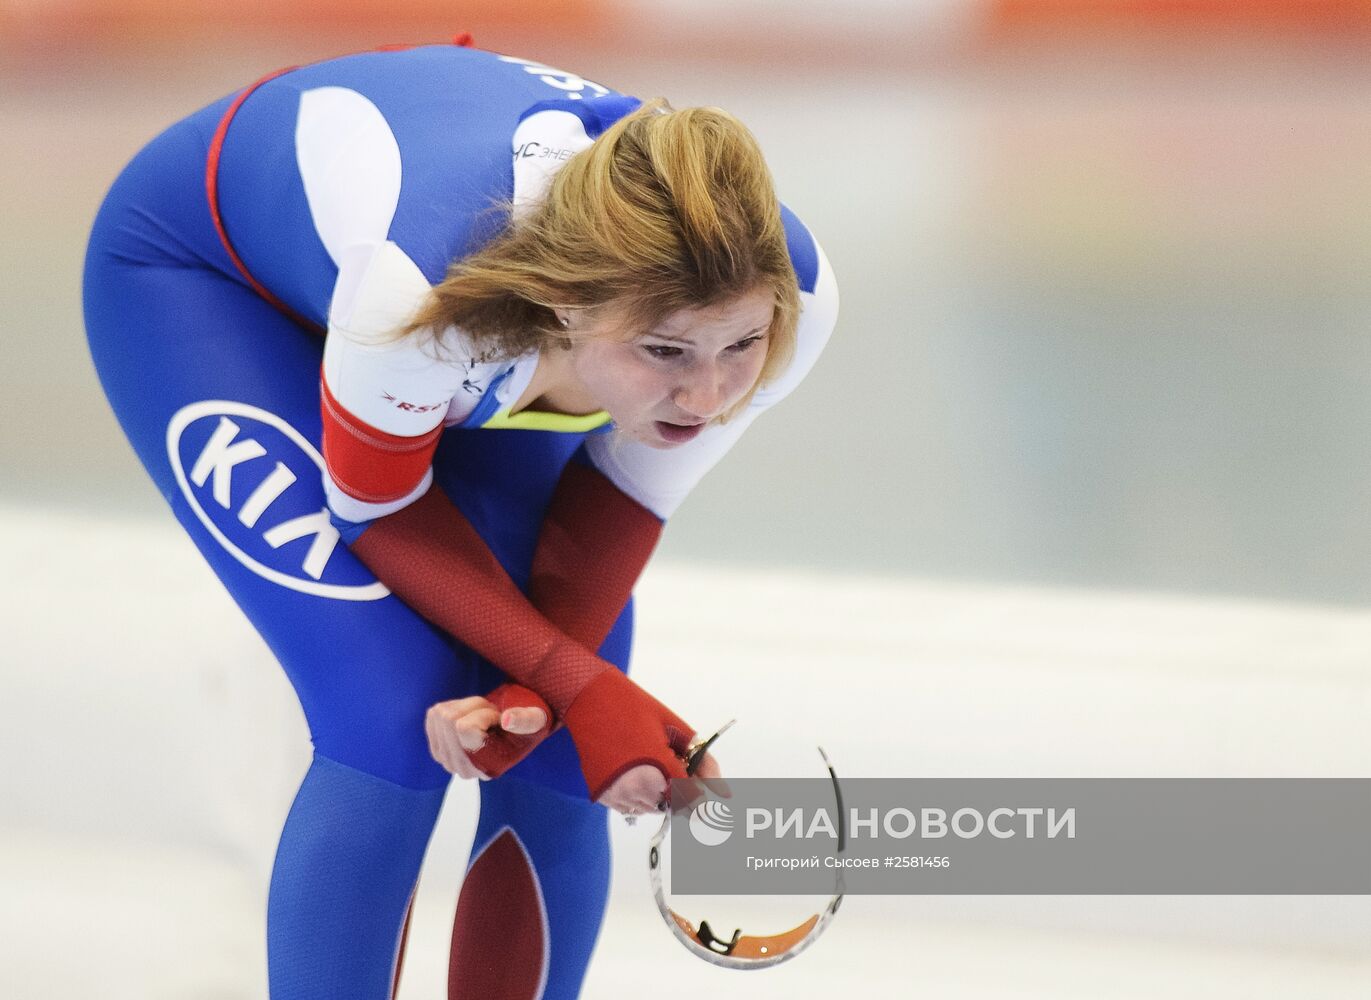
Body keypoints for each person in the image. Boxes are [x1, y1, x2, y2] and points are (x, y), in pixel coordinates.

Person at [83, 38, 838, 1000]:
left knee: (567, 736)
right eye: (665, 352)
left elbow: (621, 498)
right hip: (208, 282)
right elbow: (381, 509)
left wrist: (551, 691)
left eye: (741, 344)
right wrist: (573, 677)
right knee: (392, 713)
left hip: (451, 333)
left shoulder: (795, 299)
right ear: (564, 309)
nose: (713, 392)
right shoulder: (429, 297)